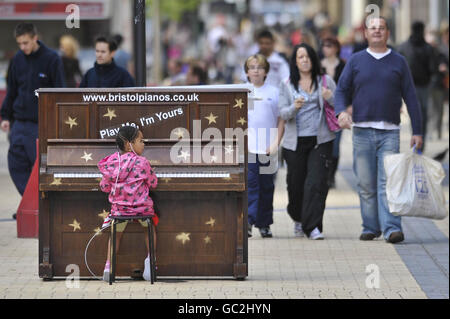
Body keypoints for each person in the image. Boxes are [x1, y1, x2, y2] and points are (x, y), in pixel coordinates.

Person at [335, 16, 423, 244]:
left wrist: (418, 130)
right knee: (365, 183)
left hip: (390, 132)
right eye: (372, 28)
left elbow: (411, 97)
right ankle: (370, 226)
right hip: (362, 132)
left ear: (387, 33)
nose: (376, 31)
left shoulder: (399, 61)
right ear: (365, 34)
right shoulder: (355, 61)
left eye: (381, 28)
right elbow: (341, 90)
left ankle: (392, 228)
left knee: (388, 182)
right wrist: (340, 112)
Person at [0, 23, 65, 219]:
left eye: (26, 42)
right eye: (20, 43)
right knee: (15, 163)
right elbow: (11, 90)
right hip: (19, 122)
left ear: (35, 37)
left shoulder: (52, 59)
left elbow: (60, 92)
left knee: (38, 166)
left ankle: (40, 208)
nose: (23, 47)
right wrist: (5, 116)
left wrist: (57, 122)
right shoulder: (17, 60)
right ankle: (31, 204)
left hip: (41, 123)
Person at [279, 43, 337, 240]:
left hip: (320, 141)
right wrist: (294, 107)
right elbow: (283, 113)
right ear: (295, 62)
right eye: (300, 57)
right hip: (294, 144)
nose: (304, 60)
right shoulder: (287, 84)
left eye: (307, 57)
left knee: (316, 183)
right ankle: (298, 218)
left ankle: (313, 227)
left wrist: (330, 98)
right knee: (295, 186)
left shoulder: (325, 81)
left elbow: (340, 105)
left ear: (313, 59)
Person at [98, 126, 158, 282]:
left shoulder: (112, 164)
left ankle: (108, 266)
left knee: (115, 234)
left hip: (119, 210)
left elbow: (104, 187)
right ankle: (151, 263)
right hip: (141, 209)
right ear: (128, 144)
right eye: (140, 140)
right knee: (149, 229)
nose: (144, 144)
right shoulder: (143, 162)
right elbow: (153, 183)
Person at [245, 54, 284, 238]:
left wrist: (276, 143)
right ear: (247, 72)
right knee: (251, 186)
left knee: (267, 187)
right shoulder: (243, 92)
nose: (256, 70)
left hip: (269, 148)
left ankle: (265, 223)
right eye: (252, 67)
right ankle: (249, 220)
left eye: (259, 67)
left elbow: (281, 120)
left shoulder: (274, 92)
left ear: (266, 71)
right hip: (250, 148)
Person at [398, 21, 436, 150]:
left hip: (414, 85)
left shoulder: (404, 47)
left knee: (416, 112)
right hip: (421, 85)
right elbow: (433, 68)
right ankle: (419, 139)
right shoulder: (428, 48)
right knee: (422, 113)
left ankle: (417, 138)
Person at [320, 36, 346, 188]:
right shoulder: (318, 66)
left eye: (329, 45)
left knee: (335, 145)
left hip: (338, 108)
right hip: (321, 109)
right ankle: (324, 173)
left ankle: (331, 176)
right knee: (324, 143)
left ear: (336, 48)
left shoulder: (343, 65)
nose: (326, 48)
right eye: (324, 45)